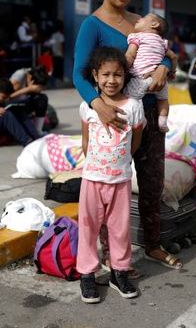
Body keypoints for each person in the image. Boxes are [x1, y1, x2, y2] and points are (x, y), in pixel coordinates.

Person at [73, 0, 182, 272]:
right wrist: (99, 105)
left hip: (146, 110)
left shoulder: (143, 22)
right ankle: (111, 255)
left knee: (152, 182)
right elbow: (79, 74)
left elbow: (164, 55)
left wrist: (164, 67)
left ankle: (152, 245)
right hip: (113, 118)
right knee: (111, 186)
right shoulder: (92, 25)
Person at [77, 47, 143, 304]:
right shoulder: (88, 107)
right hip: (92, 179)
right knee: (88, 228)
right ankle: (87, 274)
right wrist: (95, 165)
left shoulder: (134, 107)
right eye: (105, 74)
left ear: (125, 77)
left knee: (120, 230)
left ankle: (119, 272)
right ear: (95, 75)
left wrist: (120, 163)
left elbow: (135, 142)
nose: (111, 80)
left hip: (120, 180)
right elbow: (85, 142)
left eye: (117, 74)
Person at [124, 12, 177, 132]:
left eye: (143, 18)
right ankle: (162, 122)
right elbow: (173, 57)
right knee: (163, 100)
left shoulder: (137, 37)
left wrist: (123, 69)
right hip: (159, 80)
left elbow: (130, 55)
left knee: (132, 100)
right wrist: (172, 71)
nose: (138, 20)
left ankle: (141, 120)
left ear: (154, 24)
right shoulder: (163, 42)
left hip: (140, 78)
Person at [0, 78, 40, 146]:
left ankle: (36, 139)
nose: (4, 100)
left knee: (19, 112)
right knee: (6, 115)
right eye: (3, 97)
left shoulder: (3, 100)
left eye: (7, 98)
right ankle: (27, 142)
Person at [9, 65, 49, 135]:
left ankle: (38, 131)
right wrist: (28, 89)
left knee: (42, 98)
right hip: (12, 106)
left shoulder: (37, 74)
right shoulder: (19, 76)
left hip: (24, 103)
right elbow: (7, 97)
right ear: (31, 79)